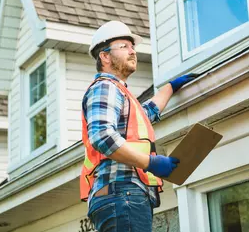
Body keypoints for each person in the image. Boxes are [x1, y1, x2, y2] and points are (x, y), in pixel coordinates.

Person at [80, 21, 199, 232]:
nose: (132, 51)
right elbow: (102, 136)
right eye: (124, 46)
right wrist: (150, 162)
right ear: (105, 56)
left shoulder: (121, 93)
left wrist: (170, 88)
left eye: (133, 47)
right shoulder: (106, 87)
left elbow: (146, 114)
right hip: (122, 194)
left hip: (123, 196)